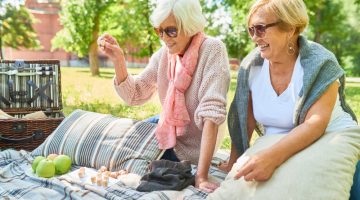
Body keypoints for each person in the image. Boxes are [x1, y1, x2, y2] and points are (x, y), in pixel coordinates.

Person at [220, 0, 360, 196]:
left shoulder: (321, 63)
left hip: (329, 137)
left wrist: (271, 158)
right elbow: (244, 120)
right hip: (276, 143)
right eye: (251, 30)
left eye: (260, 29)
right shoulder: (251, 66)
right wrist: (233, 162)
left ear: (290, 29)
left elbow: (315, 124)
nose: (254, 38)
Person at [98, 0, 230, 193]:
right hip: (168, 130)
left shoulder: (212, 49)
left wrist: (200, 176)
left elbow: (212, 114)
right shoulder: (163, 56)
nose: (164, 37)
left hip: (193, 146)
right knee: (121, 136)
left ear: (190, 26)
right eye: (159, 31)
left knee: (128, 151)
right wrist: (119, 61)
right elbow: (135, 95)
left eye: (171, 31)